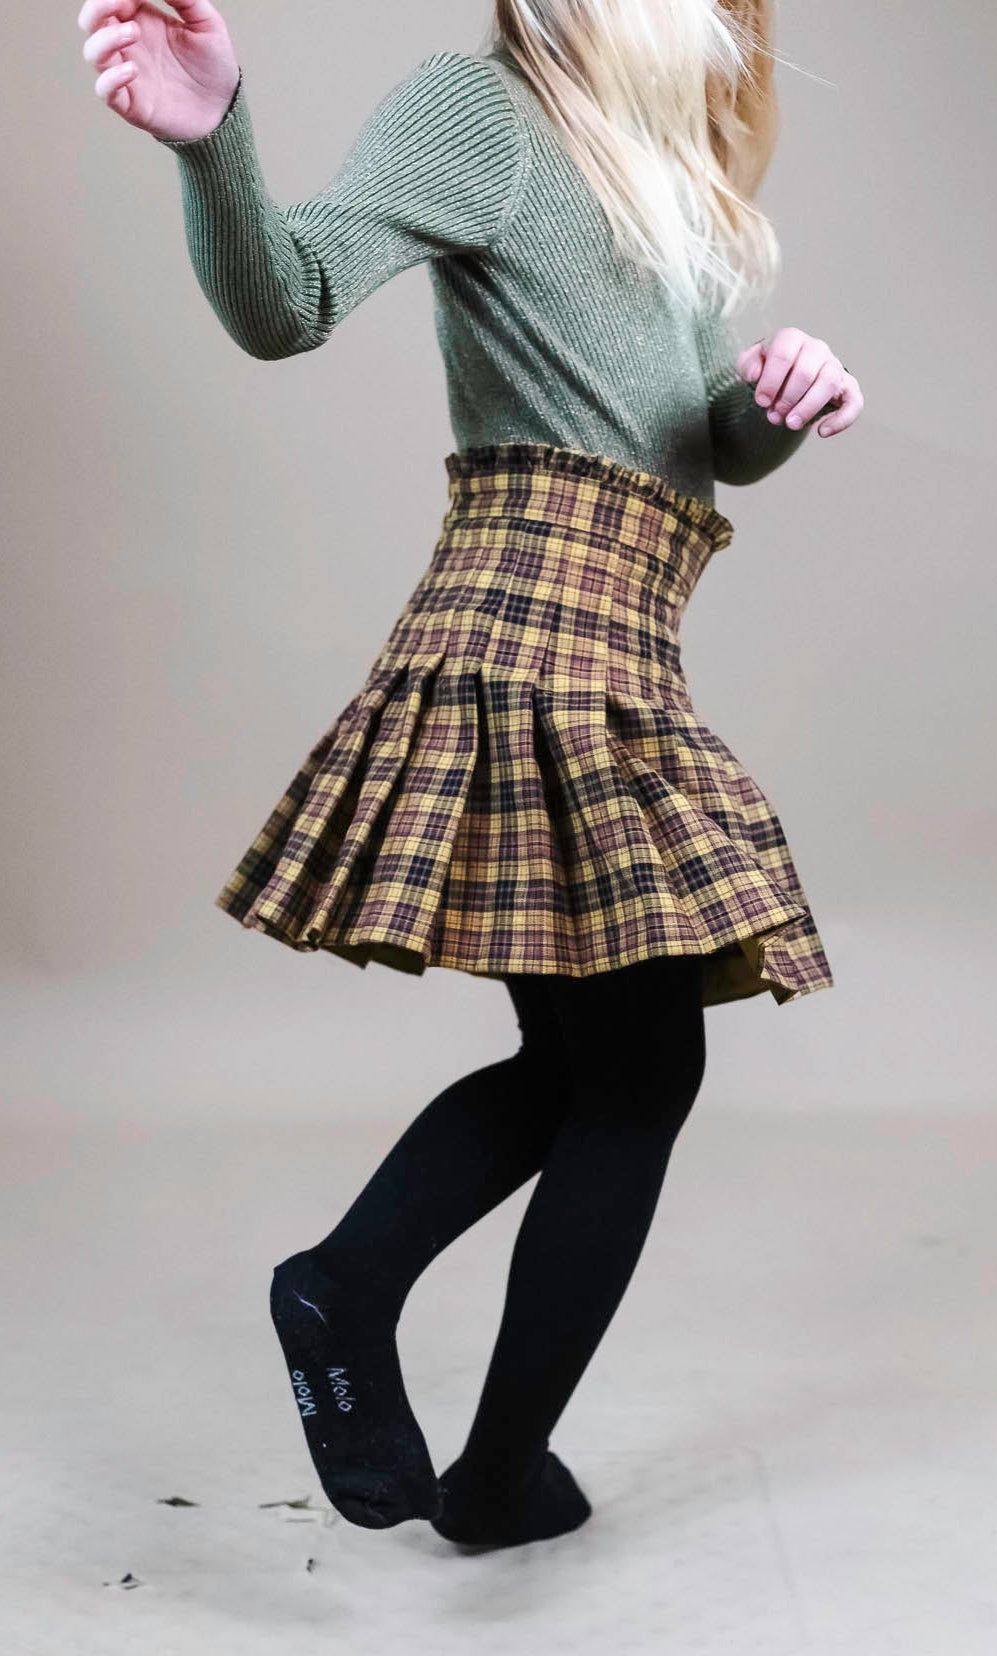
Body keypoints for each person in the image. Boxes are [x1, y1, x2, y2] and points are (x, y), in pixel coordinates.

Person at [78, 0, 863, 1550]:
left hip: (612, 638)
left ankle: (407, 1366)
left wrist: (778, 398)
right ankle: (403, 1361)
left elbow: (688, 435)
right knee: (640, 1077)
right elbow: (288, 299)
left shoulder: (654, 170)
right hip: (533, 632)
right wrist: (214, 138)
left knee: (590, 1072)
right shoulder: (484, 110)